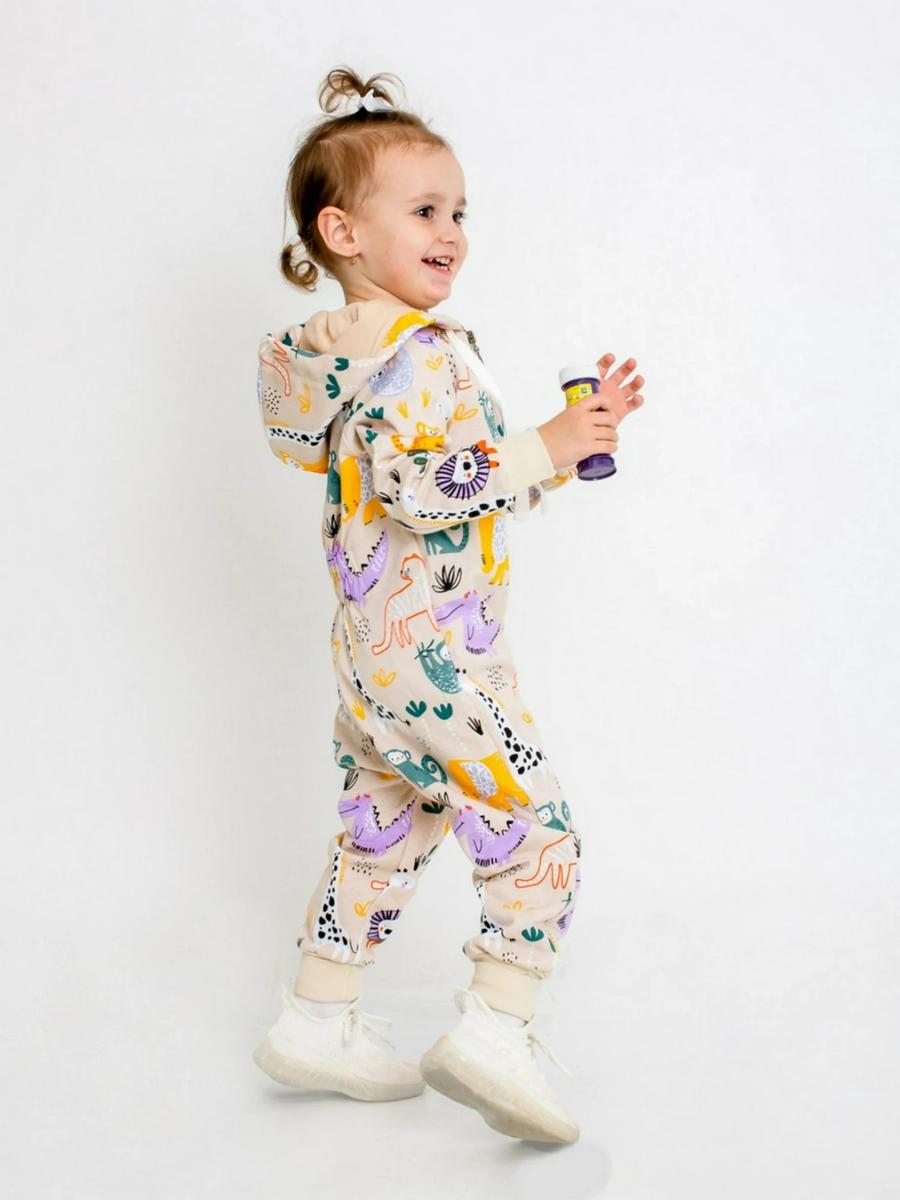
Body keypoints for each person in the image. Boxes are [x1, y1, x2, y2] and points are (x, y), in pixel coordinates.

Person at [251, 66, 645, 1145]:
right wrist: (543, 445)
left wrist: (554, 454)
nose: (453, 233)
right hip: (434, 658)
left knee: (388, 824)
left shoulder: (349, 358)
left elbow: (427, 482)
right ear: (341, 232)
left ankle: (316, 1016)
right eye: (425, 210)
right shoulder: (414, 356)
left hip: (375, 657)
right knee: (534, 830)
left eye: (460, 211)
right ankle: (497, 1028)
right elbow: (421, 489)